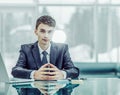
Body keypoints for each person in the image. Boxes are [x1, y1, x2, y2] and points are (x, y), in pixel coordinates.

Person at [11, 15, 79, 80]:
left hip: (56, 90)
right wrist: (34, 74)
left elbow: (74, 70)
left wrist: (62, 74)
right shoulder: (26, 49)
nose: (46, 35)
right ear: (36, 32)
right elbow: (16, 70)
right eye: (42, 31)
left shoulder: (62, 49)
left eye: (50, 32)